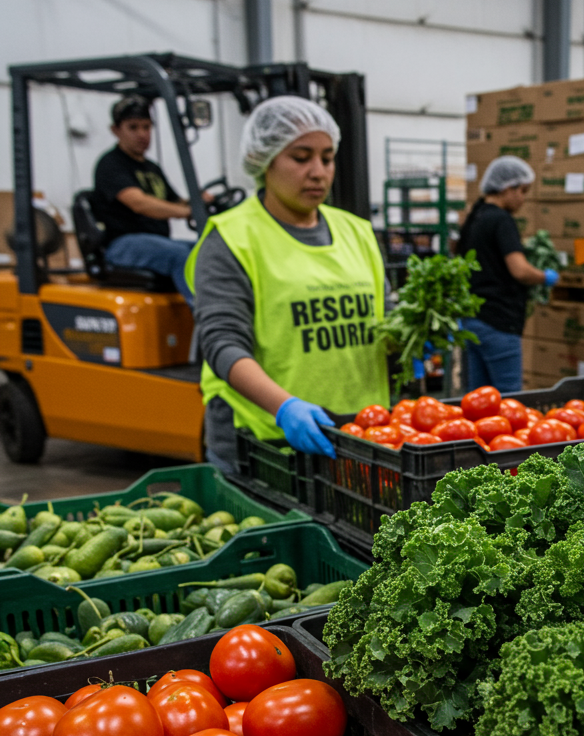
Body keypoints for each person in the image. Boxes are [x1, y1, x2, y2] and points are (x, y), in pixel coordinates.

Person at [187, 95, 388, 471]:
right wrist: (284, 406)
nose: (318, 172)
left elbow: (382, 318)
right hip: (263, 443)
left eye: (327, 158)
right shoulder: (231, 239)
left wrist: (411, 338)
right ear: (263, 160)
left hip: (359, 435)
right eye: (301, 157)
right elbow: (222, 343)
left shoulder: (357, 233)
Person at [457, 155, 559, 391]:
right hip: (498, 322)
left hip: (472, 320)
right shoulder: (502, 220)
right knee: (509, 397)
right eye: (522, 191)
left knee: (478, 398)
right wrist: (545, 277)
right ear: (507, 188)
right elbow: (519, 270)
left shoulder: (475, 216)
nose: (523, 198)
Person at [92, 95, 201, 303]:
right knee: (181, 255)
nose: (142, 134)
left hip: (157, 242)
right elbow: (139, 203)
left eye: (146, 127)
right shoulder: (111, 164)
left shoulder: (152, 168)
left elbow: (175, 202)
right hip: (122, 244)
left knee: (208, 250)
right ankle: (209, 317)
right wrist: (187, 212)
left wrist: (200, 201)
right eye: (133, 127)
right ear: (116, 130)